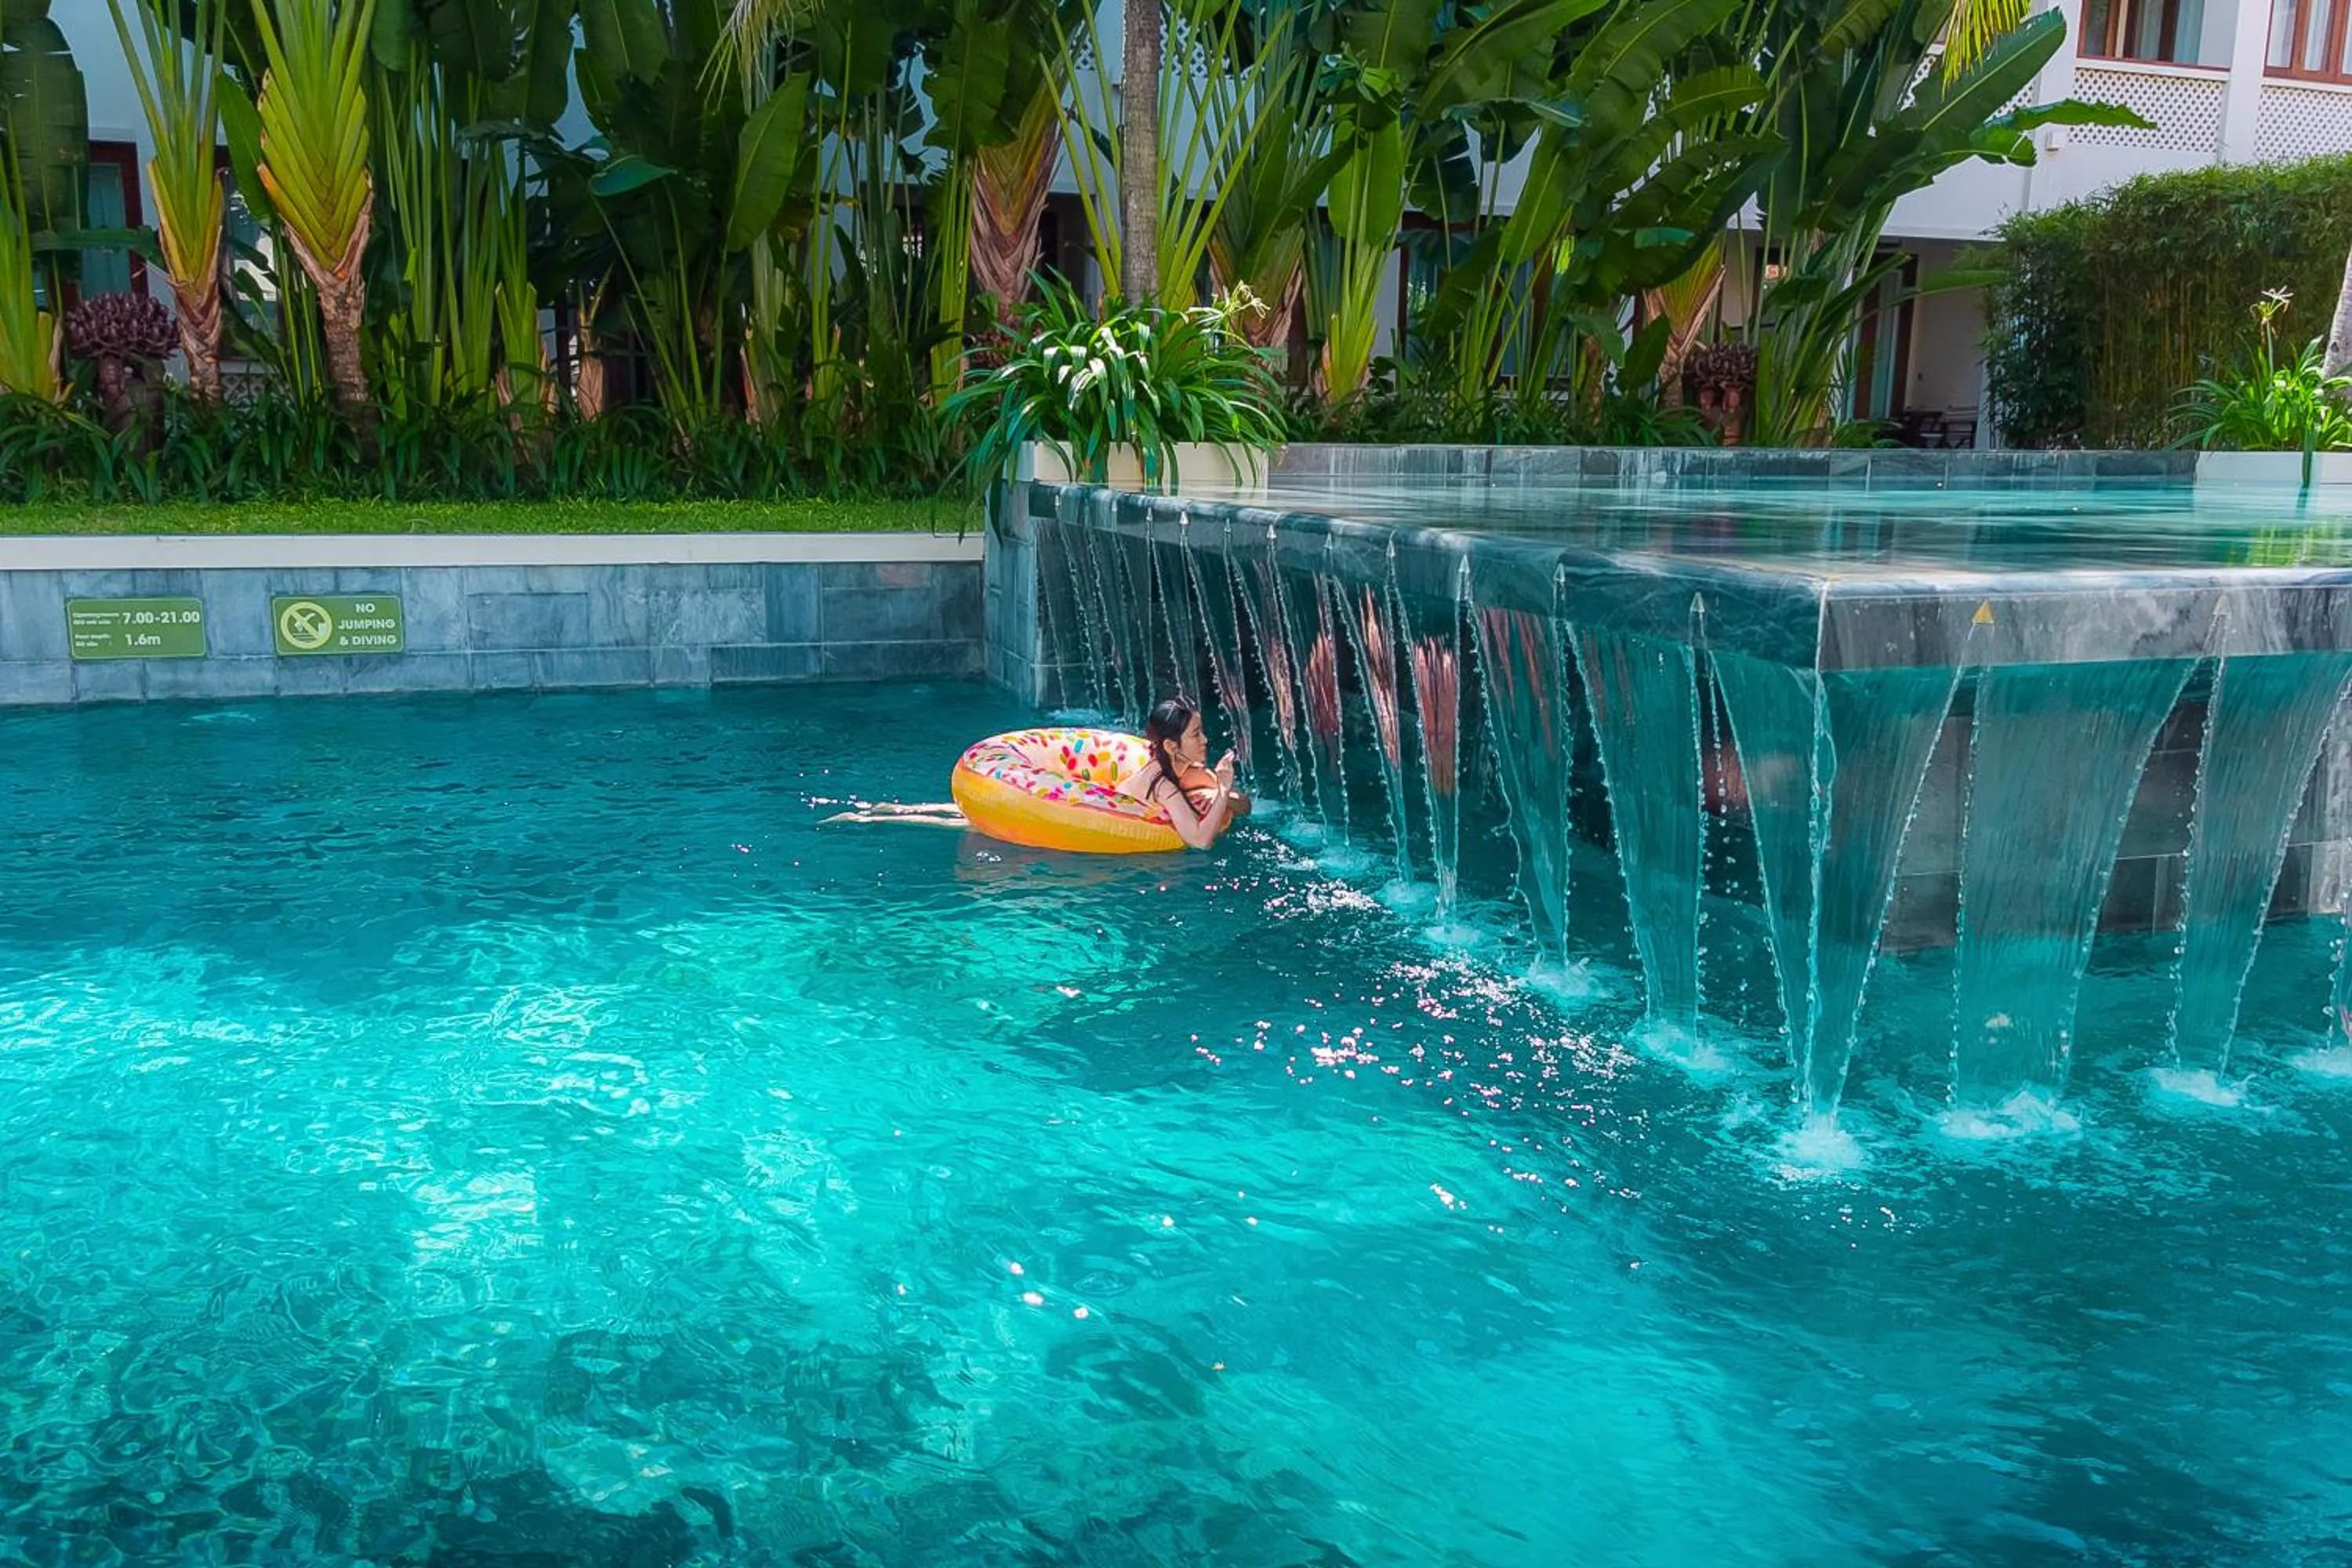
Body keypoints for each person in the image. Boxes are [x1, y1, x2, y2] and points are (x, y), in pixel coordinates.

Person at [1120, 695, 1247, 850]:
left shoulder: (1184, 769)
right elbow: (1200, 842)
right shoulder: (1163, 787)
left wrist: (1222, 795)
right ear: (1171, 747)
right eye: (1195, 734)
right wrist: (1223, 791)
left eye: (1201, 731)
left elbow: (1245, 805)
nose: (1205, 740)